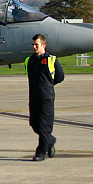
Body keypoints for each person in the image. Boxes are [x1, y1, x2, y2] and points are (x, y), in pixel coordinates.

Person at [25, 33, 64, 161]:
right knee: (34, 124)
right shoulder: (29, 60)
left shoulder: (51, 60)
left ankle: (41, 153)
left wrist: (47, 86)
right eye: (33, 45)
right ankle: (50, 140)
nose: (34, 47)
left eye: (37, 45)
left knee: (44, 126)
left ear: (43, 45)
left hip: (46, 98)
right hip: (34, 97)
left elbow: (59, 77)